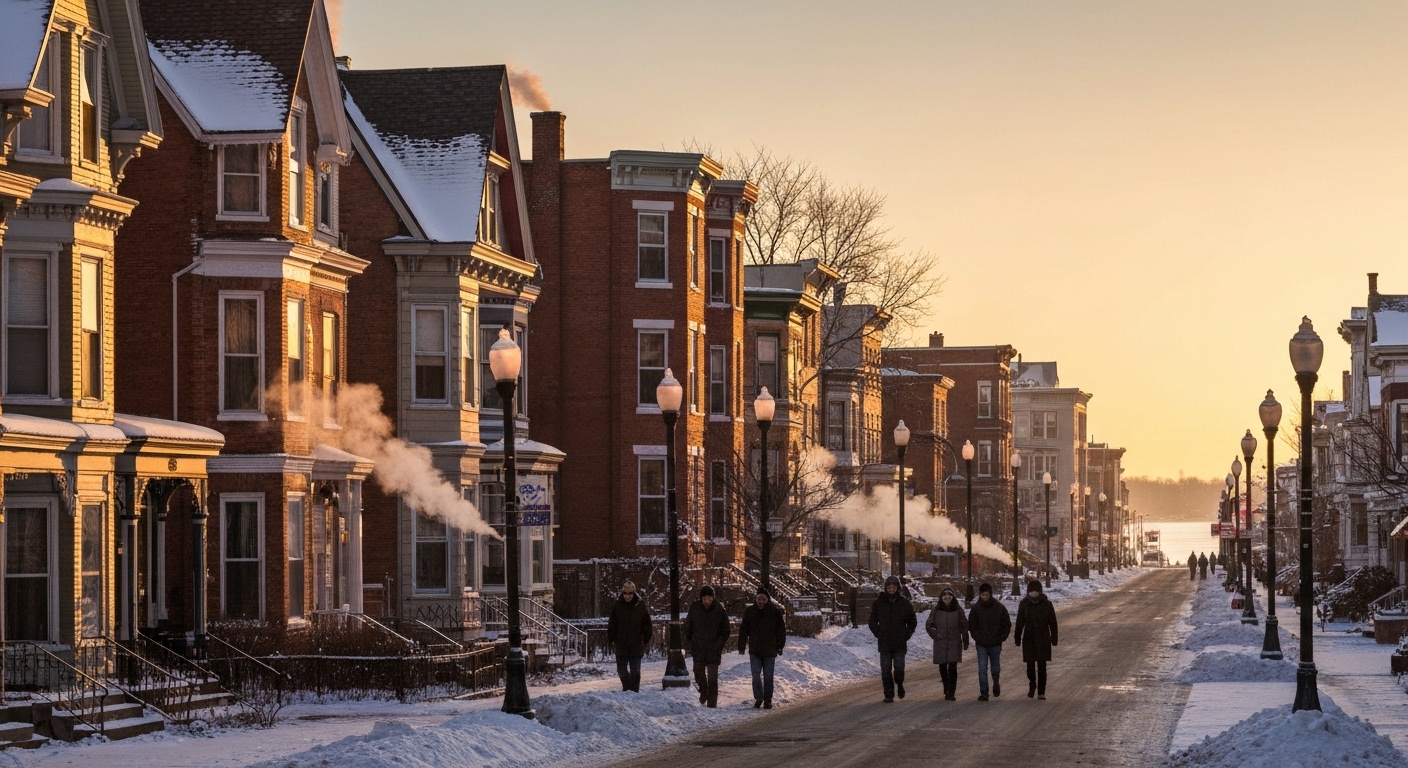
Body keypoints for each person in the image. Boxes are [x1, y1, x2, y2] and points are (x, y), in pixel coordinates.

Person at [868, 575, 917, 703]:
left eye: (893, 587)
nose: (891, 589)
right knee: (885, 670)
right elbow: (872, 621)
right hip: (884, 643)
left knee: (899, 668)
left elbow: (912, 621)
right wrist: (879, 633)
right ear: (886, 588)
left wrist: (907, 634)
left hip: (900, 643)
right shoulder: (879, 603)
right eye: (889, 587)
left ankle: (899, 684)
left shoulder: (904, 603)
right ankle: (888, 694)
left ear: (897, 588)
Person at [738, 588, 787, 709]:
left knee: (768, 676)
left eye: (763, 599)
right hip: (755, 650)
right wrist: (741, 645)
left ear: (767, 600)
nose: (761, 602)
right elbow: (744, 629)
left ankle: (767, 699)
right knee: (756, 675)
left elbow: (780, 630)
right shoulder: (750, 611)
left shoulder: (774, 612)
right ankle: (758, 697)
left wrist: (780, 645)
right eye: (759, 599)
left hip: (770, 650)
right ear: (756, 599)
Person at [683, 585, 730, 708]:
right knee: (698, 672)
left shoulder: (719, 609)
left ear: (713, 598)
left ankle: (712, 703)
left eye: (709, 599)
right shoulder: (695, 608)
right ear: (701, 598)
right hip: (698, 646)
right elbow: (688, 625)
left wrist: (719, 644)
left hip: (714, 648)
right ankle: (704, 691)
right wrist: (689, 640)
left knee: (712, 678)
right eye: (705, 599)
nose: (707, 601)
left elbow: (725, 630)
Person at [967, 582, 1011, 701]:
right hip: (981, 644)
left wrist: (1001, 637)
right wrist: (976, 636)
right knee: (982, 668)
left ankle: (995, 681)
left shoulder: (999, 608)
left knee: (995, 667)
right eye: (983, 595)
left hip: (995, 643)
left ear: (990, 594)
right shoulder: (976, 608)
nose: (985, 597)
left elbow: (1006, 623)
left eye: (987, 594)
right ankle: (984, 692)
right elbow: (971, 624)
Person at [1015, 580, 1058, 700]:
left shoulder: (1046, 604)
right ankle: (1032, 682)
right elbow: (1019, 622)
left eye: (1036, 592)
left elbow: (1052, 623)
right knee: (1030, 665)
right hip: (1029, 638)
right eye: (1032, 592)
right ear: (1028, 592)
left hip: (1043, 637)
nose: (1034, 594)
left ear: (1040, 592)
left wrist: (1054, 638)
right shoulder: (1024, 604)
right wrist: (1017, 637)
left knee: (1042, 665)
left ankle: (1041, 691)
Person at [606, 580, 651, 692]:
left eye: (630, 593)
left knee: (635, 671)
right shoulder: (618, 606)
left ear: (634, 593)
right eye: (625, 593)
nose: (627, 596)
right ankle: (627, 688)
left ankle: (634, 691)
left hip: (636, 643)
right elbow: (612, 623)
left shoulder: (640, 606)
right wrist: (611, 638)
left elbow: (647, 624)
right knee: (622, 670)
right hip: (621, 643)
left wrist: (645, 639)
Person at [925, 587, 968, 701]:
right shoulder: (936, 610)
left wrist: (965, 639)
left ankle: (951, 692)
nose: (947, 598)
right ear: (941, 597)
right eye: (945, 595)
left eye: (949, 595)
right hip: (941, 642)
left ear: (953, 597)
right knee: (943, 666)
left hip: (954, 642)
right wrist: (936, 635)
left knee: (953, 668)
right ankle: (946, 686)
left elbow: (964, 625)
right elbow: (929, 625)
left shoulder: (958, 610)